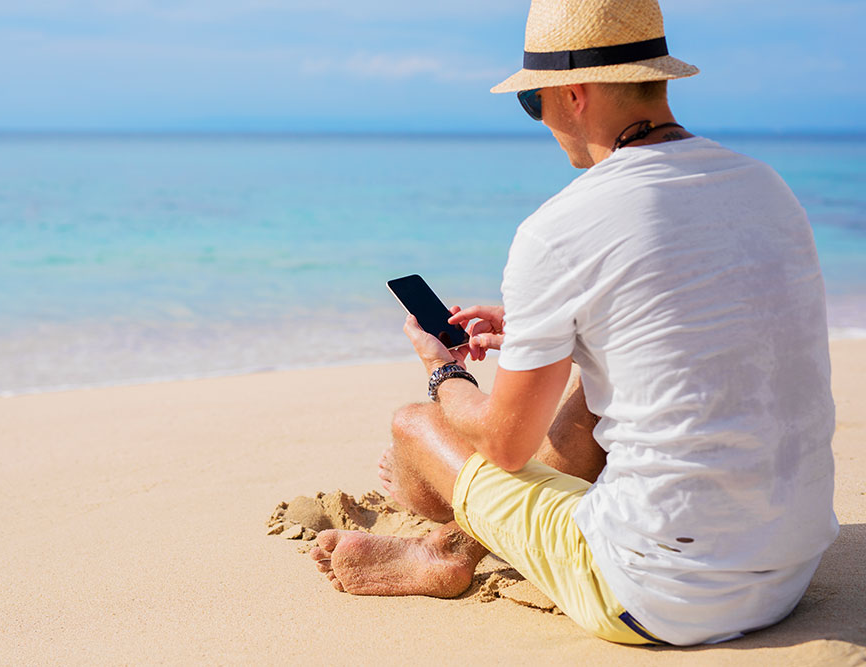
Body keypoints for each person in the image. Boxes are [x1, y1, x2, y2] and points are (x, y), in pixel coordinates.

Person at [309, 0, 839, 646]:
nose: (542, 121)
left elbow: (505, 442)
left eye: (535, 104)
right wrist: (548, 326)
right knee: (598, 386)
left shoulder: (561, 228)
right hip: (790, 570)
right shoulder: (769, 190)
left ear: (574, 94)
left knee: (417, 428)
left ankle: (446, 549)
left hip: (660, 593)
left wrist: (443, 372)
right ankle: (464, 532)